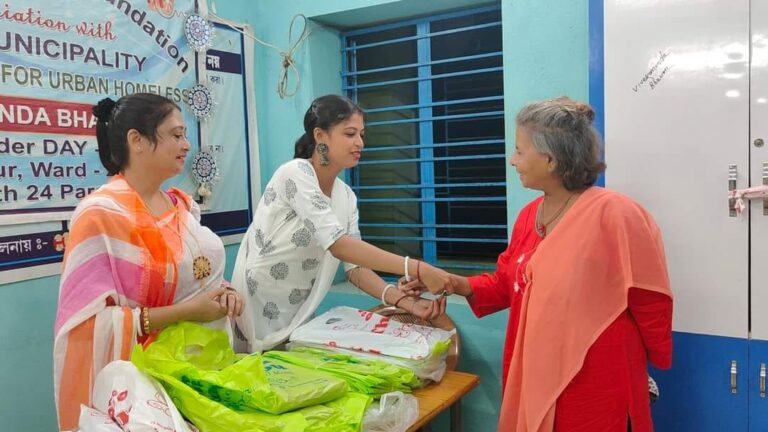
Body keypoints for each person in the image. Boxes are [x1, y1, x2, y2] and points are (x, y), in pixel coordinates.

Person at [400, 97, 673, 431]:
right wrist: (453, 282)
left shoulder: (616, 214)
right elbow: (508, 283)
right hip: (535, 366)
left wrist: (649, 362)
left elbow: (649, 297)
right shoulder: (530, 216)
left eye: (519, 150)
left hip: (596, 373)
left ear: (551, 159)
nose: (512, 160)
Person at [53, 93, 244, 430]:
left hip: (197, 374)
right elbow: (87, 327)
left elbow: (197, 277)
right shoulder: (100, 216)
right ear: (136, 141)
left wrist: (225, 293)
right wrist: (190, 311)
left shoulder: (182, 206)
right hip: (140, 391)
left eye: (185, 134)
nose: (186, 144)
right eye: (175, 134)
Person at [231, 94, 454, 352]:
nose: (359, 142)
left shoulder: (346, 197)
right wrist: (417, 268)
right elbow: (338, 245)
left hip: (298, 313)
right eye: (350, 134)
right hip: (257, 306)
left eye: (361, 134)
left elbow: (355, 268)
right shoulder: (295, 174)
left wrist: (405, 302)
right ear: (320, 136)